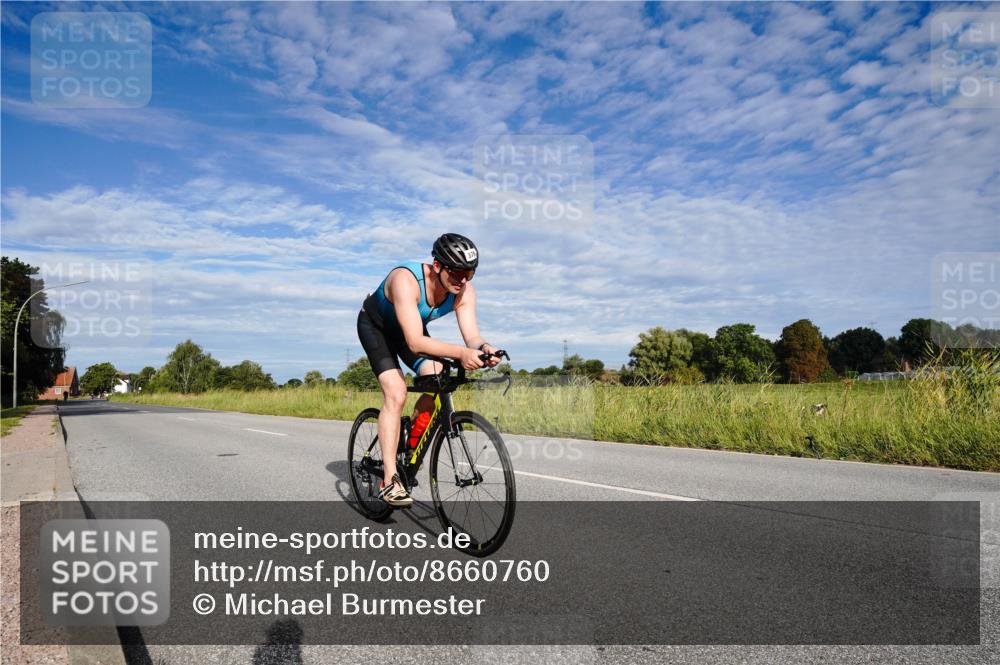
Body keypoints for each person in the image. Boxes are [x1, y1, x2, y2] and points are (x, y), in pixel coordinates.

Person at [357, 233, 501, 507]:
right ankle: (390, 479)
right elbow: (415, 341)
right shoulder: (406, 280)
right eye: (457, 273)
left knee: (438, 376)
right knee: (397, 393)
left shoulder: (465, 291)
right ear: (437, 266)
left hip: (409, 330)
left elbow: (472, 336)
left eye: (469, 273)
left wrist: (484, 348)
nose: (462, 280)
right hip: (377, 329)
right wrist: (460, 354)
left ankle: (410, 443)